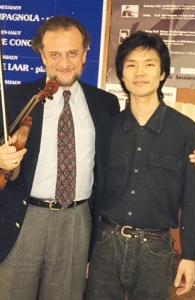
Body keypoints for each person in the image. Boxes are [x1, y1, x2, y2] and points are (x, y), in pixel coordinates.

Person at [0, 16, 119, 300]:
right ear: (41, 55)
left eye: (72, 53)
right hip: (23, 217)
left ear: (85, 53)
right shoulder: (14, 98)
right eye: (54, 54)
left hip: (76, 221)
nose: (64, 63)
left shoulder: (105, 104)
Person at [86, 31, 195, 300]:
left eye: (149, 64)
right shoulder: (106, 128)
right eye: (131, 64)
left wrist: (190, 255)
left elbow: (194, 200)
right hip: (105, 244)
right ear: (121, 75)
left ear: (162, 74)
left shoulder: (185, 130)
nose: (140, 72)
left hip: (156, 250)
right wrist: (87, 251)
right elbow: (93, 193)